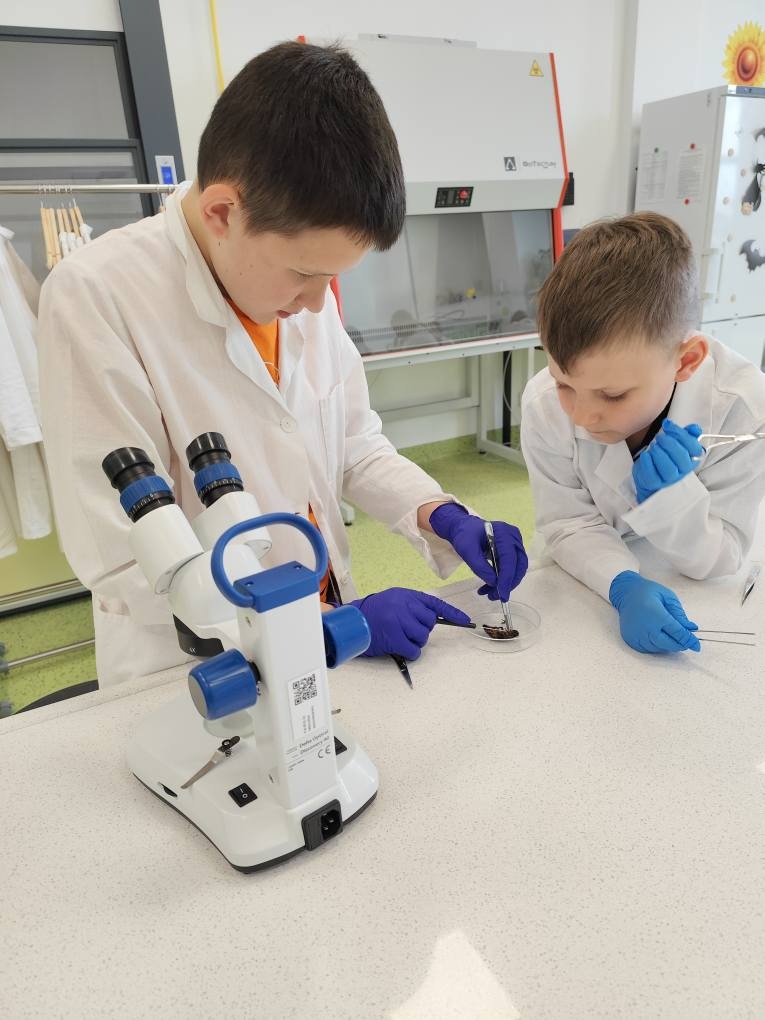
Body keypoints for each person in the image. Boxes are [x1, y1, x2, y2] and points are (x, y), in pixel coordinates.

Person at [37, 41, 527, 686]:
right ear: (222, 213)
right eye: (304, 274)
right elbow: (121, 557)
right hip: (202, 664)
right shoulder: (96, 297)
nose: (319, 303)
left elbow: (352, 444)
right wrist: (317, 626)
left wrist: (435, 511)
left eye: (331, 278)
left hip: (326, 629)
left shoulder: (291, 282)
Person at [520, 211, 765, 655]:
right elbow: (568, 522)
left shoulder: (743, 409)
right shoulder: (542, 402)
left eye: (612, 395)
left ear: (686, 361)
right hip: (584, 578)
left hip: (692, 585)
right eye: (564, 384)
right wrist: (621, 584)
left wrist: (671, 500)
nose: (582, 416)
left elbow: (724, 556)